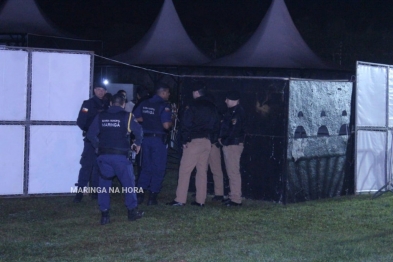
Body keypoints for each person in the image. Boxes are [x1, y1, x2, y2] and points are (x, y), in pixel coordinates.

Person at [86, 93, 144, 225]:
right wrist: (137, 143)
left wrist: (98, 146)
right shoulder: (127, 116)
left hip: (104, 156)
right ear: (123, 104)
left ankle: (105, 215)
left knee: (104, 185)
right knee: (129, 184)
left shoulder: (100, 116)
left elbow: (90, 134)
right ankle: (132, 212)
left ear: (111, 103)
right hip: (121, 157)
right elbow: (139, 131)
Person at [167, 82, 220, 207]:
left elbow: (186, 124)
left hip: (194, 141)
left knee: (185, 170)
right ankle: (200, 200)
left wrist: (184, 140)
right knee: (202, 171)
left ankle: (180, 199)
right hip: (207, 142)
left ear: (196, 93)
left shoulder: (193, 105)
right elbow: (217, 125)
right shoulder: (213, 107)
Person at [133, 83, 172, 205]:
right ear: (163, 92)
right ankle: (152, 196)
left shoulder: (145, 103)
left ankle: (140, 195)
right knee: (158, 167)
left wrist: (148, 120)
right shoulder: (164, 106)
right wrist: (172, 120)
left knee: (145, 167)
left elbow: (136, 117)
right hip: (158, 140)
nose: (169, 95)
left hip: (145, 139)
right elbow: (166, 125)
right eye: (168, 93)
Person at [74, 84, 107, 203]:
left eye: (103, 90)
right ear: (94, 90)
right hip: (90, 140)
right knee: (87, 166)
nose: (100, 92)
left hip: (102, 140)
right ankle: (79, 193)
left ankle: (96, 193)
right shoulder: (88, 104)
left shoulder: (107, 104)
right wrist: (90, 132)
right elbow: (81, 121)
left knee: (99, 167)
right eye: (98, 89)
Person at [219, 90, 246, 207]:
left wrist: (223, 140)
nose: (225, 101)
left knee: (233, 172)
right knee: (231, 171)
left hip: (232, 144)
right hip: (231, 144)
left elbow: (234, 130)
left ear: (233, 100)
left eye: (227, 99)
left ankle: (236, 198)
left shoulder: (237, 113)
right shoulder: (234, 111)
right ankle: (233, 195)